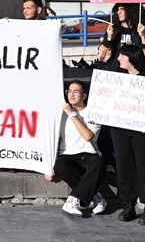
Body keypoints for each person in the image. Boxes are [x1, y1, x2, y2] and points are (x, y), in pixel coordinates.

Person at [107, 44, 145, 226]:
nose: (119, 59)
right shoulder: (117, 79)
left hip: (143, 131)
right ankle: (128, 202)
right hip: (120, 129)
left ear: (131, 58)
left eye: (122, 56)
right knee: (124, 165)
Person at [45, 80, 107, 217]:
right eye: (69, 91)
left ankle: (73, 200)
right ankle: (96, 197)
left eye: (76, 92)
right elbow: (51, 137)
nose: (71, 95)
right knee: (60, 166)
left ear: (84, 96)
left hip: (89, 154)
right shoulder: (59, 114)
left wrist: (72, 114)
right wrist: (46, 166)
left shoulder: (93, 112)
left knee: (99, 164)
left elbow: (88, 136)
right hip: (67, 155)